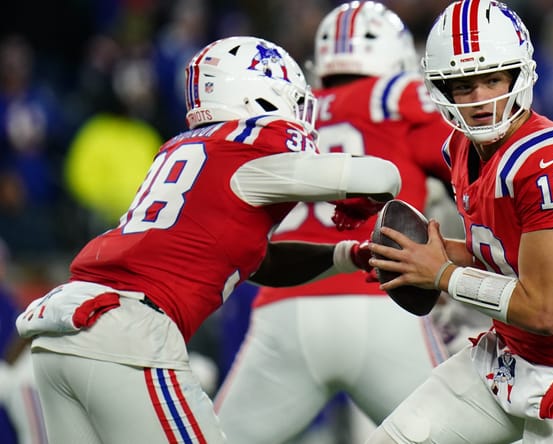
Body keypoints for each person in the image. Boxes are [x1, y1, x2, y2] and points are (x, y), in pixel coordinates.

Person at [14, 36, 402, 444]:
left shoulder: (180, 148)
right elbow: (381, 177)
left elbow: (257, 260)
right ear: (264, 96)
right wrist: (359, 201)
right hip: (127, 330)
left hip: (63, 331)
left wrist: (347, 256)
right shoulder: (251, 149)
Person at [365, 1, 553, 443]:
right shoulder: (459, 149)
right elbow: (504, 257)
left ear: (518, 76)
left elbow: (543, 309)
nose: (481, 99)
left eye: (493, 79)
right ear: (442, 88)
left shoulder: (548, 160)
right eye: (464, 85)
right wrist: (432, 257)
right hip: (508, 358)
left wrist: (443, 274)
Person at [213, 3, 452, 443]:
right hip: (383, 300)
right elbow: (467, 169)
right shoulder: (398, 96)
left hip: (284, 309)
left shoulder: (287, 112)